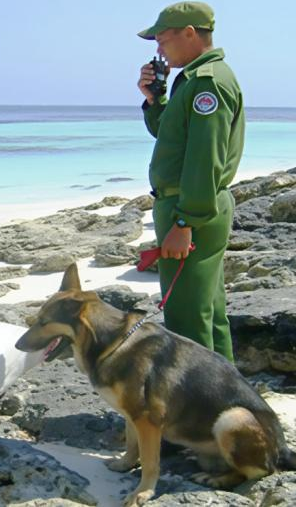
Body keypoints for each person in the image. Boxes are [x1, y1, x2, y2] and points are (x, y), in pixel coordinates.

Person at [137, 1, 244, 361]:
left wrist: (185, 222)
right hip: (195, 205)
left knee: (186, 322)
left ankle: (199, 397)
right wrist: (155, 99)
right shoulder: (195, 79)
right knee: (208, 314)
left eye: (162, 38)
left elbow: (204, 159)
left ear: (188, 33)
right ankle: (229, 391)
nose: (158, 49)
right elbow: (172, 137)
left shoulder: (206, 83)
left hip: (191, 207)